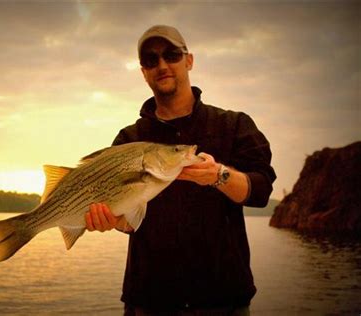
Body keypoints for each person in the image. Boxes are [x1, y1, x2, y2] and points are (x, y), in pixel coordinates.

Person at [84, 25, 276, 315]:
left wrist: (219, 175)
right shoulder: (128, 140)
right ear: (143, 72)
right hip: (149, 302)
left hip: (223, 301)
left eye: (171, 55)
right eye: (151, 60)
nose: (162, 65)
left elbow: (260, 191)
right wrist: (109, 219)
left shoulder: (234, 125)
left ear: (189, 60)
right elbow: (128, 222)